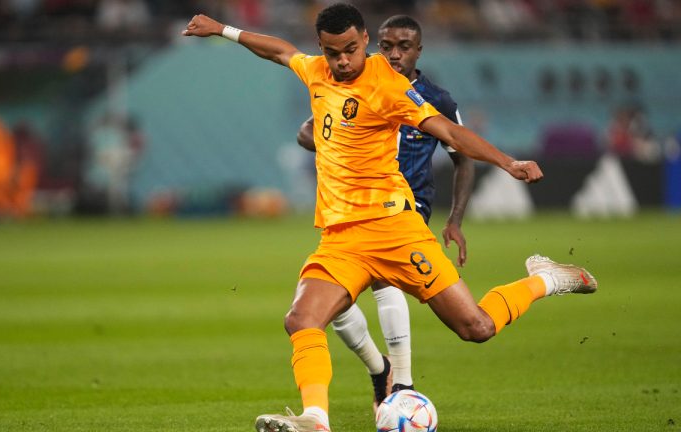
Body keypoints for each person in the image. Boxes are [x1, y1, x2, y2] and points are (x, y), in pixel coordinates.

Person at [182, 4, 597, 431]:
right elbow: (280, 51)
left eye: (349, 50)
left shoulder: (389, 85)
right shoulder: (319, 72)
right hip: (342, 237)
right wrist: (223, 30)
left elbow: (451, 133)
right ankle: (315, 419)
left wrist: (509, 162)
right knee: (301, 319)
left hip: (395, 230)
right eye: (331, 52)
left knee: (476, 327)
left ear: (364, 40)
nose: (341, 61)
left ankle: (546, 278)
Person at [294, 14, 475, 410]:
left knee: (384, 285)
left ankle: (401, 388)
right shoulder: (357, 82)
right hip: (350, 206)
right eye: (387, 45)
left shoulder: (435, 98)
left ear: (418, 51)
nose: (393, 54)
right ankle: (380, 369)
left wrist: (456, 218)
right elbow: (307, 130)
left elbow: (462, 157)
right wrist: (336, 146)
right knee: (336, 310)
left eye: (403, 47)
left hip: (405, 206)